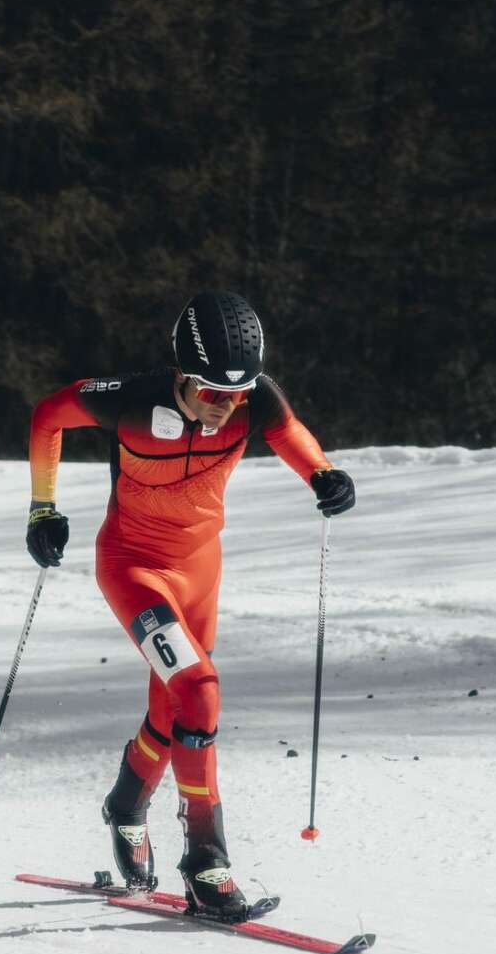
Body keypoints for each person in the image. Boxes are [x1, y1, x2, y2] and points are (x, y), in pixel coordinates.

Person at [25, 291, 356, 920]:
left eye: (237, 394)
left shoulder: (252, 400)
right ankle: (206, 861)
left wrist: (323, 474)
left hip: (201, 569)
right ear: (179, 373)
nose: (224, 407)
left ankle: (126, 803)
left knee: (172, 706)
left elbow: (288, 432)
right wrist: (43, 508)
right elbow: (47, 416)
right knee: (199, 689)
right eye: (210, 393)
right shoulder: (126, 399)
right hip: (134, 568)